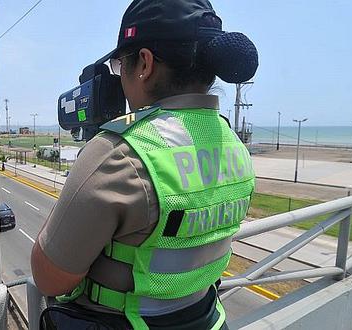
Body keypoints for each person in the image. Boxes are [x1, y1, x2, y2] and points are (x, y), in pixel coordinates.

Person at [31, 0, 258, 329]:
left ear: (145, 63)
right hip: (207, 319)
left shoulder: (118, 153)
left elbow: (50, 278)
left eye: (121, 63)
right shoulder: (233, 143)